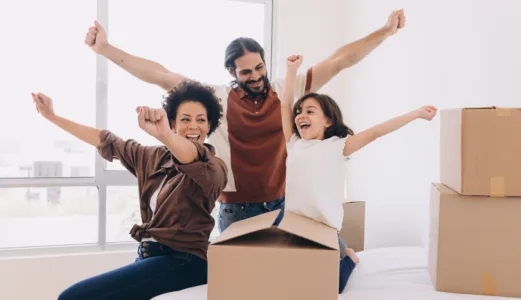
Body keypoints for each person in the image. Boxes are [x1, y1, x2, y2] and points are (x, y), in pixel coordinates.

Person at [83, 9, 407, 234]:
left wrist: (386, 32)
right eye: (246, 72)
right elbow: (161, 75)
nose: (255, 77)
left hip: (283, 205)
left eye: (259, 68)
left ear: (265, 63)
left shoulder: (285, 91)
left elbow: (338, 61)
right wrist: (106, 48)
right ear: (232, 73)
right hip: (236, 212)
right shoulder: (218, 99)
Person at [31, 80, 228, 300]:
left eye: (201, 120)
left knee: (73, 297)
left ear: (209, 126)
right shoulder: (153, 158)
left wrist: (164, 135)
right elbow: (106, 140)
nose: (194, 126)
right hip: (149, 256)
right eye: (185, 119)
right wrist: (52, 117)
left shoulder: (214, 167)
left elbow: (192, 156)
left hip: (185, 261)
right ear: (173, 123)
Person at [281, 54, 437, 293]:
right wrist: (291, 71)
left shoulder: (337, 146)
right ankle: (345, 249)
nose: (301, 115)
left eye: (310, 111)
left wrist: (416, 113)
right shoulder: (293, 143)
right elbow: (284, 105)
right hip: (297, 226)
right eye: (299, 111)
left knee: (332, 286)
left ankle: (349, 257)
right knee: (289, 280)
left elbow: (376, 132)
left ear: (327, 121)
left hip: (324, 228)